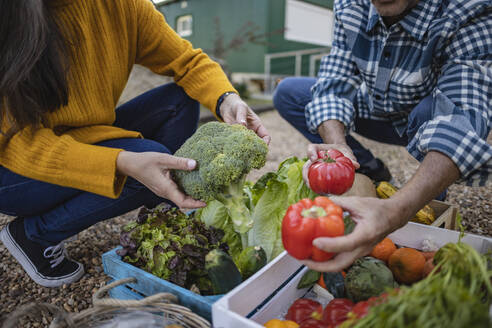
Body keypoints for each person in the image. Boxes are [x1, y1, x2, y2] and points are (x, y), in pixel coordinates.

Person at [0, 0, 270, 288]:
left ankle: (152, 199)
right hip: (13, 167)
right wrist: (121, 162)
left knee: (181, 102)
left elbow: (188, 62)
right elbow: (13, 143)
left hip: (87, 135)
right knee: (148, 159)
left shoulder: (124, 6)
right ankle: (35, 233)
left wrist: (227, 99)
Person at [273, 0, 491, 271]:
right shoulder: (350, 5)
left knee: (435, 109)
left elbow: (461, 119)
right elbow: (334, 83)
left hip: (427, 121)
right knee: (289, 93)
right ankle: (370, 169)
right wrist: (337, 147)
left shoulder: (467, 8)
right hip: (375, 107)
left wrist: (397, 210)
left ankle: (428, 200)